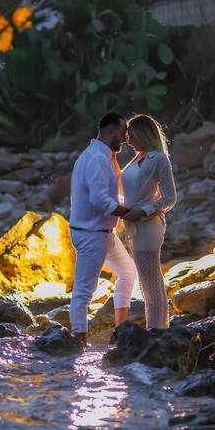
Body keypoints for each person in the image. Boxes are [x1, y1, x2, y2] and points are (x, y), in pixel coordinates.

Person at [69, 113, 138, 346]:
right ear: (110, 132)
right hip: (91, 234)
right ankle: (79, 345)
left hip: (102, 233)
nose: (126, 138)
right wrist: (130, 213)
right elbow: (100, 201)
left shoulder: (101, 155)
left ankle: (121, 331)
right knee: (83, 292)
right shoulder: (97, 159)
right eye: (123, 133)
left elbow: (107, 194)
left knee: (128, 272)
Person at [121, 114, 178, 329]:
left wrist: (142, 211)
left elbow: (169, 198)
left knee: (151, 281)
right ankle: (157, 328)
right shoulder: (137, 158)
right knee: (146, 283)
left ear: (143, 133)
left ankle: (157, 331)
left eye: (131, 134)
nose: (127, 139)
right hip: (134, 227)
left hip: (148, 226)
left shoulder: (158, 159)